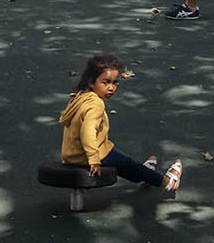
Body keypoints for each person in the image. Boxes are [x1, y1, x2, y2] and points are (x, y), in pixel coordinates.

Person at [59, 52, 183, 192]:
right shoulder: (95, 104)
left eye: (115, 83)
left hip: (72, 156)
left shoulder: (80, 97)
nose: (111, 87)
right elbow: (87, 132)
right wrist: (93, 159)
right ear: (91, 82)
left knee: (123, 164)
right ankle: (167, 182)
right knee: (125, 162)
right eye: (105, 82)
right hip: (88, 156)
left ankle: (144, 176)